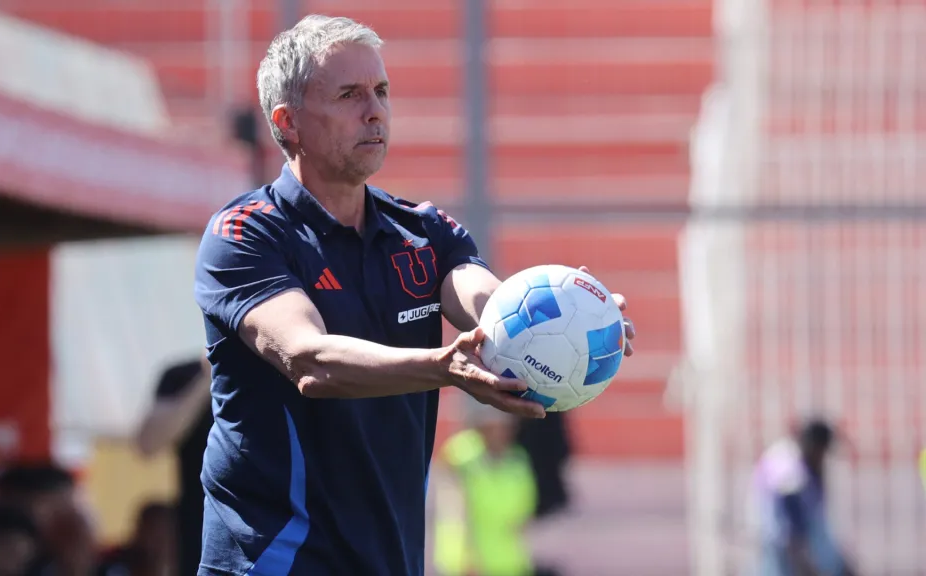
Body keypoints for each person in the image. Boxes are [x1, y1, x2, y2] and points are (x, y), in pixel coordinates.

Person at [193, 14, 636, 576]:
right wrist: (443, 367)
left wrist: (573, 318)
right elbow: (309, 360)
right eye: (350, 94)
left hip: (391, 561)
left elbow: (486, 302)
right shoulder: (246, 233)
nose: (374, 109)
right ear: (289, 122)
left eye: (381, 91)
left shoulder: (424, 231)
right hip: (275, 562)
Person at [433, 407, 553, 576]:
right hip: (467, 564)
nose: (501, 432)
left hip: (510, 562)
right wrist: (463, 557)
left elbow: (524, 512)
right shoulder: (461, 454)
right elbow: (454, 510)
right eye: (495, 425)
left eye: (506, 426)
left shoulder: (518, 459)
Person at [750, 419, 860, 576]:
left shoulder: (807, 467)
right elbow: (788, 513)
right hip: (781, 541)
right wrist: (799, 552)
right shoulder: (787, 462)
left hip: (795, 539)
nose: (822, 457)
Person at [135, 357, 211, 576]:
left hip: (274, 524)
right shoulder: (185, 375)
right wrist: (208, 379)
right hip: (201, 532)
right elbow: (148, 443)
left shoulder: (288, 370)